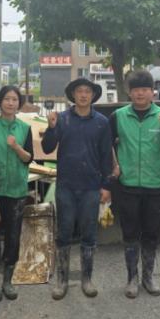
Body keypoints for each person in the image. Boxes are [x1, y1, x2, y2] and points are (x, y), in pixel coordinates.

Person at [42, 78, 113, 300]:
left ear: (93, 95)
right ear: (73, 95)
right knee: (63, 233)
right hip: (66, 186)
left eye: (87, 91)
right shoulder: (62, 119)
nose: (83, 95)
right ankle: (62, 280)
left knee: (89, 234)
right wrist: (51, 128)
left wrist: (106, 186)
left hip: (91, 187)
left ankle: (87, 279)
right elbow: (47, 148)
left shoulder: (102, 122)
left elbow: (106, 156)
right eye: (79, 91)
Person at [111, 69, 160, 298]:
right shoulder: (119, 116)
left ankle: (148, 276)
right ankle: (132, 278)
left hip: (156, 184)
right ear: (129, 93)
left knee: (152, 233)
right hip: (128, 184)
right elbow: (106, 144)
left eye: (144, 89)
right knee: (130, 232)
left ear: (152, 92)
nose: (140, 93)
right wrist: (115, 165)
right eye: (136, 90)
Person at [0, 85, 34, 302]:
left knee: (13, 236)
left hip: (16, 191)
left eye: (14, 99)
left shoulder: (25, 128)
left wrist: (16, 147)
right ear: (0, 102)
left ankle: (8, 280)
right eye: (7, 99)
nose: (11, 103)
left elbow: (28, 159)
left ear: (19, 103)